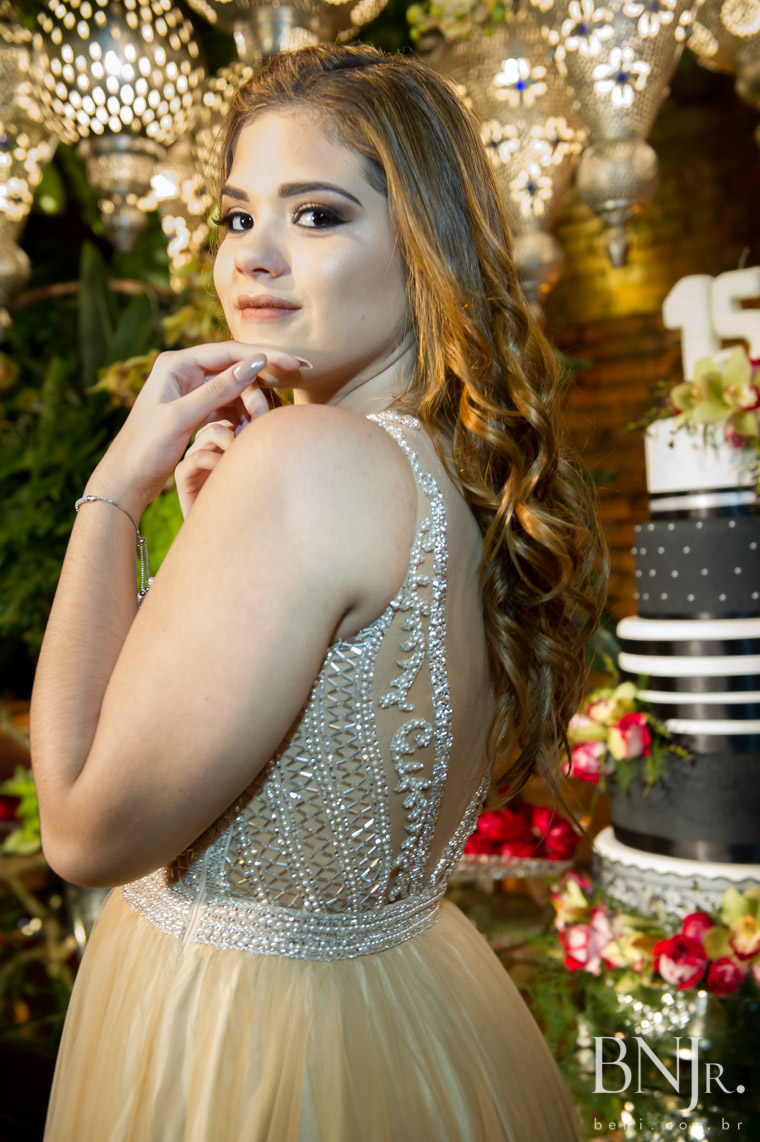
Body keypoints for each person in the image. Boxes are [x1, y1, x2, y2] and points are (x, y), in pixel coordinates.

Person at [32, 42, 606, 1141]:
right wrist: (210, 540)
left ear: (425, 245)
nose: (254, 256)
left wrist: (115, 489)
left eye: (317, 214)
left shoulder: (305, 459)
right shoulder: (454, 471)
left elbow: (82, 834)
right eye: (236, 215)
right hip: (410, 1012)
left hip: (246, 1043)